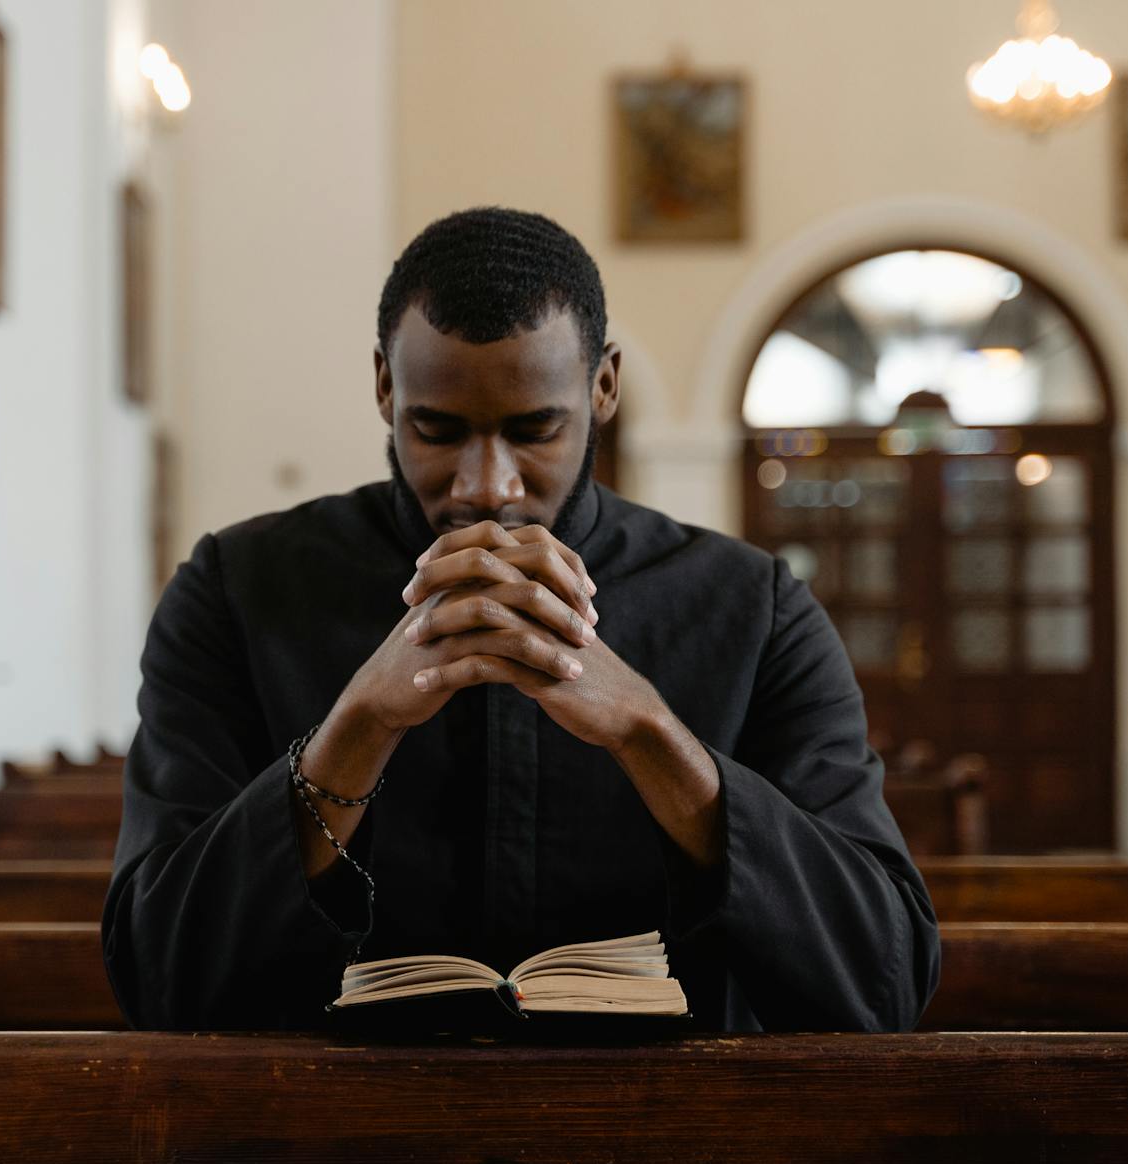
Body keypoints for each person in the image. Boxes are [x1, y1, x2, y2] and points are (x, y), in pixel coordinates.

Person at [101, 207, 939, 1031]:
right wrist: (359, 725)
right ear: (386, 385)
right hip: (328, 1141)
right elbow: (158, 978)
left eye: (535, 429)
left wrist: (649, 733)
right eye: (437, 429)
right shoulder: (236, 589)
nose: (487, 485)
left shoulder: (754, 607)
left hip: (678, 1146)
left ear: (603, 384)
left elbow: (883, 982)